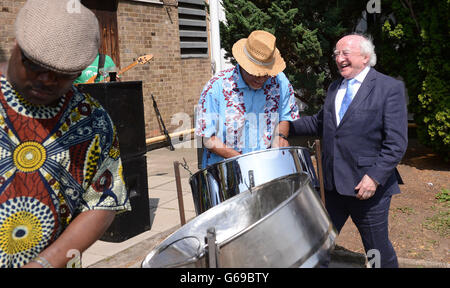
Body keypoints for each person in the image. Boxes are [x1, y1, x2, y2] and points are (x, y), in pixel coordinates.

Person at [0, 0, 130, 268]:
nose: (47, 80)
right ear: (17, 46)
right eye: (35, 65)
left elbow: (104, 202)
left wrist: (44, 264)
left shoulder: (92, 120)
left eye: (63, 74)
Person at [290, 34, 408, 267]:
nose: (338, 58)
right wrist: (283, 125)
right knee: (316, 244)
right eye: (336, 54)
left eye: (345, 53)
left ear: (365, 57)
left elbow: (396, 143)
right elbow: (319, 123)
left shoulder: (388, 88)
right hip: (331, 185)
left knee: (377, 251)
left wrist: (374, 178)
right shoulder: (335, 87)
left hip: (367, 189)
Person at [195, 30, 300, 168]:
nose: (261, 79)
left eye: (266, 74)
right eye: (256, 73)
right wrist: (244, 161)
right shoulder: (216, 87)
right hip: (227, 171)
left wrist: (281, 136)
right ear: (243, 63)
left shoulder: (280, 82)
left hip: (268, 167)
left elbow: (285, 116)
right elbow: (208, 137)